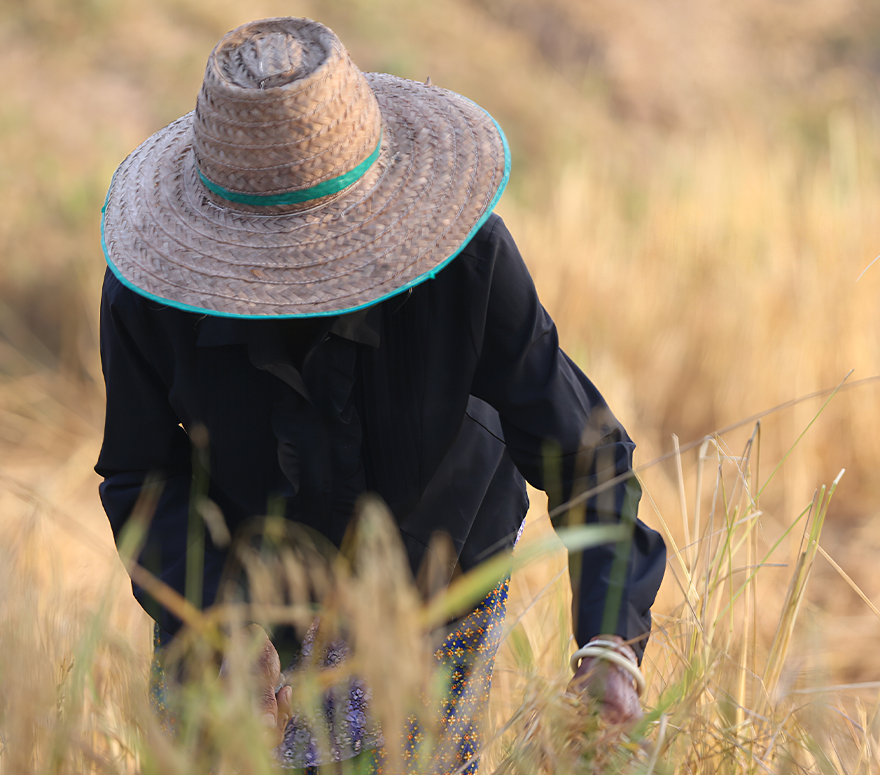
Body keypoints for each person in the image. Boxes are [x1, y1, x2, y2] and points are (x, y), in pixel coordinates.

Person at [94, 16, 666, 773]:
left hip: (430, 564)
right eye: (265, 265)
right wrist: (215, 624)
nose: (297, 284)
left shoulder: (466, 266)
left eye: (321, 259)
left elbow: (585, 455)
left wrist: (610, 645)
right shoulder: (150, 296)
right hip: (239, 573)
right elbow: (141, 472)